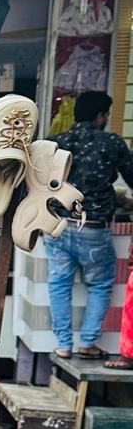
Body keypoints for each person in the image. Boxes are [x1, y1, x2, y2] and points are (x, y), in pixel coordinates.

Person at [49, 90, 133, 359]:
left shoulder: (56, 142)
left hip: (59, 225)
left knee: (59, 284)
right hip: (94, 229)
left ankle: (63, 345)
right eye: (106, 114)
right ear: (100, 116)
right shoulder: (111, 143)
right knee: (99, 284)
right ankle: (87, 343)